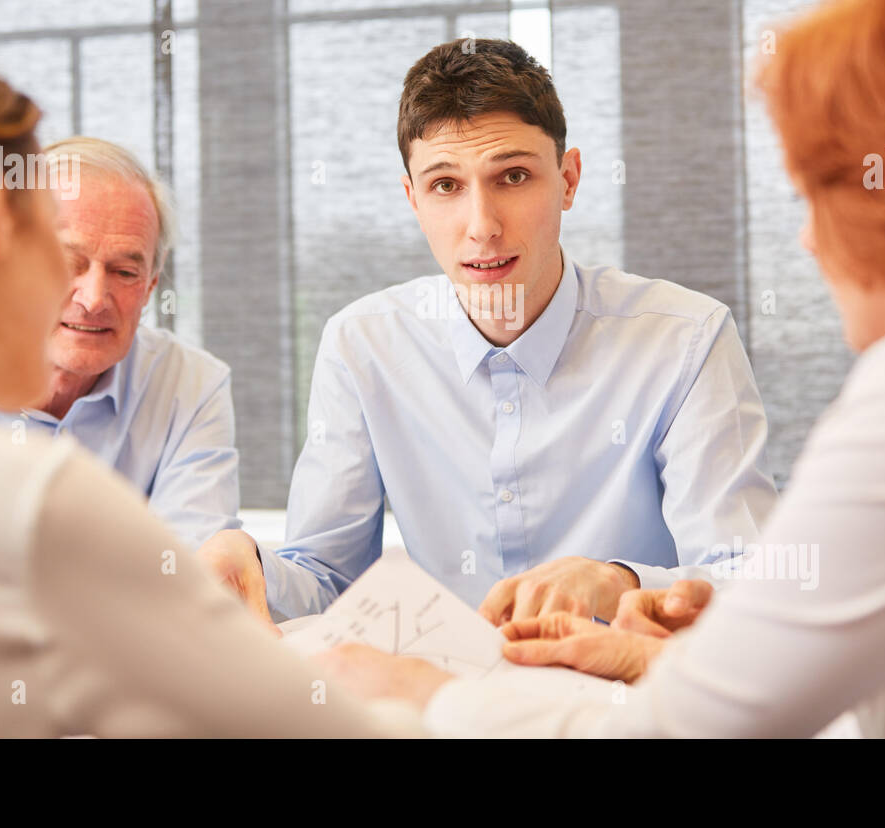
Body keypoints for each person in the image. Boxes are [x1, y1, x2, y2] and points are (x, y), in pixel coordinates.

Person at [315, 0, 885, 737]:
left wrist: (427, 697)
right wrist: (655, 660)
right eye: (446, 186)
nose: (807, 239)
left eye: (819, 190)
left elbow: (692, 729)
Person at [0, 38, 411, 736]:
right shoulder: (20, 493)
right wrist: (428, 693)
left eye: (125, 271)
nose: (87, 298)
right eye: (59, 248)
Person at [248, 38, 776, 623]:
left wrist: (615, 583)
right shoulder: (361, 346)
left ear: (569, 180)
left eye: (514, 176)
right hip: (445, 698)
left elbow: (745, 580)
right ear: (414, 200)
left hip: (621, 696)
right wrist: (246, 565)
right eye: (445, 186)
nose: (482, 227)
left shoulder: (686, 341)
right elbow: (328, 583)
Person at [0, 137, 269, 619]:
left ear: (151, 285)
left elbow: (189, 584)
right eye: (70, 262)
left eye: (125, 271)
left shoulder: (191, 385)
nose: (94, 297)